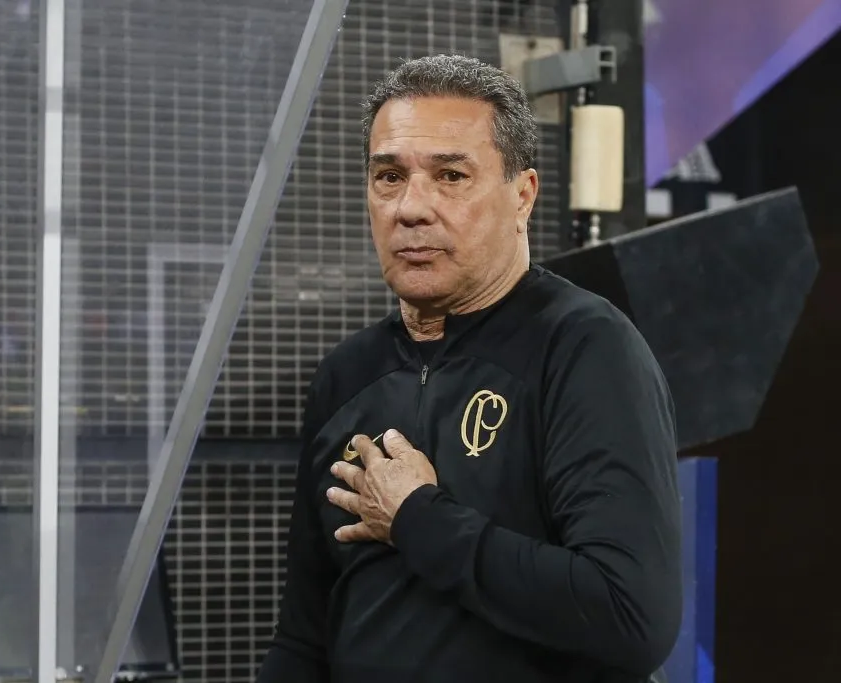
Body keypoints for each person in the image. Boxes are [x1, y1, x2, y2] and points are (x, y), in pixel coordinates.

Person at [255, 54, 682, 683]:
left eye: (451, 176)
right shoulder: (346, 377)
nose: (411, 208)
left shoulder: (584, 349)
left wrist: (418, 518)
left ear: (522, 196)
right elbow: (304, 637)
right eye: (389, 177)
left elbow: (629, 616)